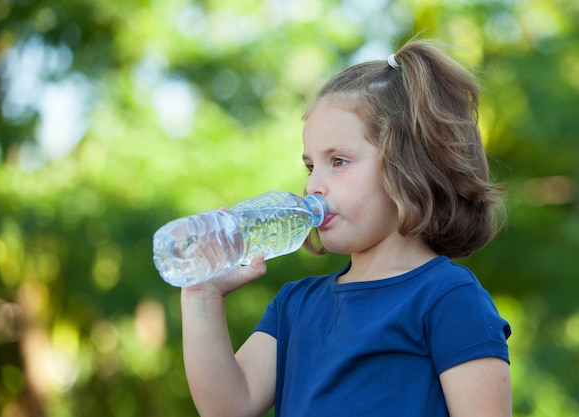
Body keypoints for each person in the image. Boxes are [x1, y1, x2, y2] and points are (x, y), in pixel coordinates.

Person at [181, 37, 512, 417]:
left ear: (408, 168)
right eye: (310, 166)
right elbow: (228, 409)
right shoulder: (295, 305)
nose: (312, 185)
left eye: (338, 161)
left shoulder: (448, 299)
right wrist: (201, 296)